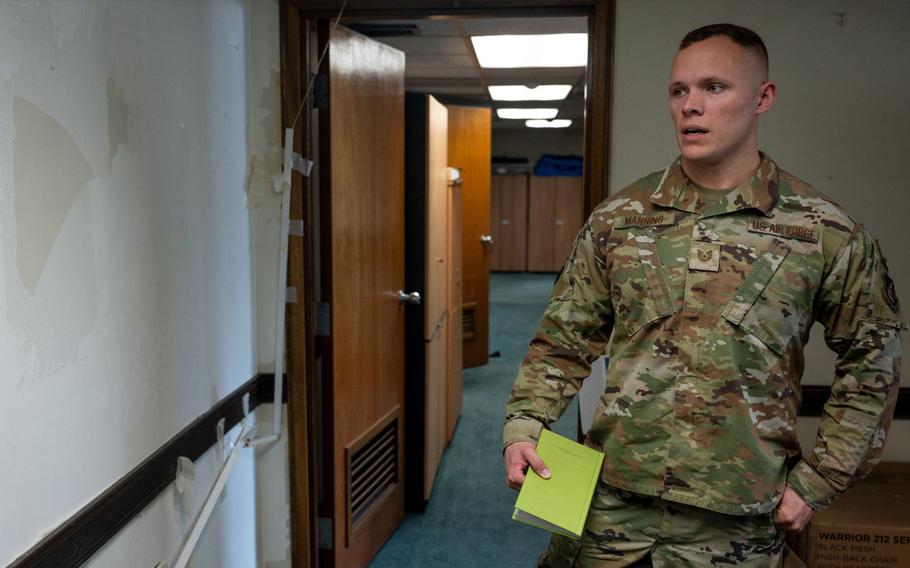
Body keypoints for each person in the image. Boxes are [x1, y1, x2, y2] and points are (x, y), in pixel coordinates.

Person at [503, 23, 903, 567]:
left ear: (764, 98)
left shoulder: (822, 232)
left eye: (714, 87)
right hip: (609, 516)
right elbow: (563, 339)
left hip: (735, 528)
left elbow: (872, 365)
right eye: (679, 90)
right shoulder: (620, 219)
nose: (691, 106)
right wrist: (525, 427)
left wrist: (819, 481)